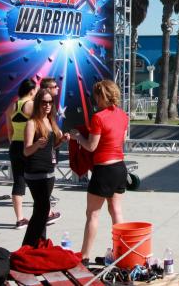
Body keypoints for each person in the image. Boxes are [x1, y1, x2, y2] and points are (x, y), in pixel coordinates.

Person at [70, 80, 129, 261]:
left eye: (95, 96)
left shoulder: (98, 117)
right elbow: (123, 140)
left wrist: (78, 136)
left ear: (100, 96)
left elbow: (91, 146)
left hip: (104, 169)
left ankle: (85, 256)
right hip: (120, 167)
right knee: (116, 211)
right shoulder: (123, 115)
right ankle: (121, 253)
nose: (94, 100)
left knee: (92, 214)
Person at [21, 88, 68, 247]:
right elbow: (26, 151)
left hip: (49, 171)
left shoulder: (51, 121)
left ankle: (39, 244)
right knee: (43, 208)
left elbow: (52, 146)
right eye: (44, 102)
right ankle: (28, 245)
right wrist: (36, 144)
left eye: (50, 102)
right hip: (35, 172)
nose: (47, 105)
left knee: (40, 209)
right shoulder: (32, 123)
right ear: (38, 104)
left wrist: (61, 141)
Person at [6, 79, 36, 229]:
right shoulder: (30, 105)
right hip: (28, 145)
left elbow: (10, 131)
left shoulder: (12, 106)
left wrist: (14, 144)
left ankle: (20, 219)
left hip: (15, 146)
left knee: (18, 181)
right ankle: (46, 213)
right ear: (31, 91)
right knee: (37, 180)